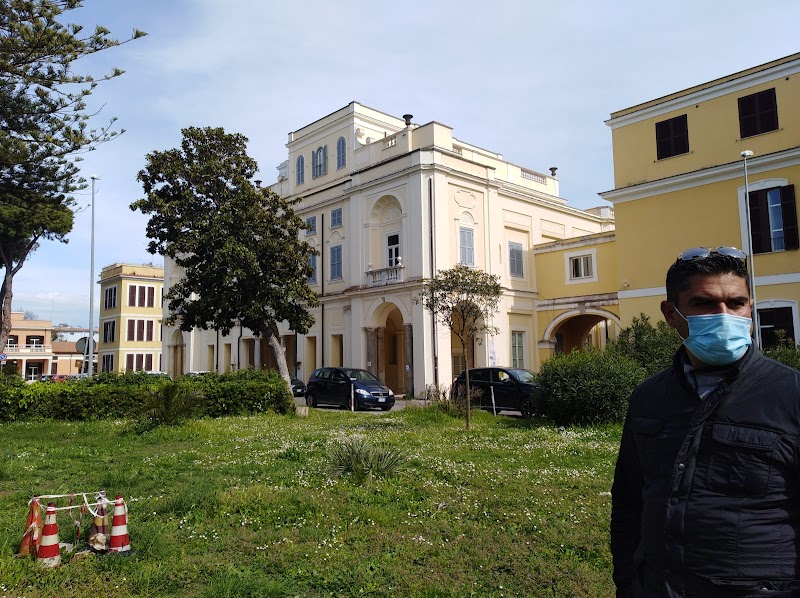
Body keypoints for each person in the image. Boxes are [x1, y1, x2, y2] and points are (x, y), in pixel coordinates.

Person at [610, 246, 800, 597]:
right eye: (704, 304)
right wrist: (627, 580)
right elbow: (628, 499)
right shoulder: (649, 397)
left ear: (751, 307)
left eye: (736, 303)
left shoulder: (790, 393)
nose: (724, 315)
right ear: (671, 313)